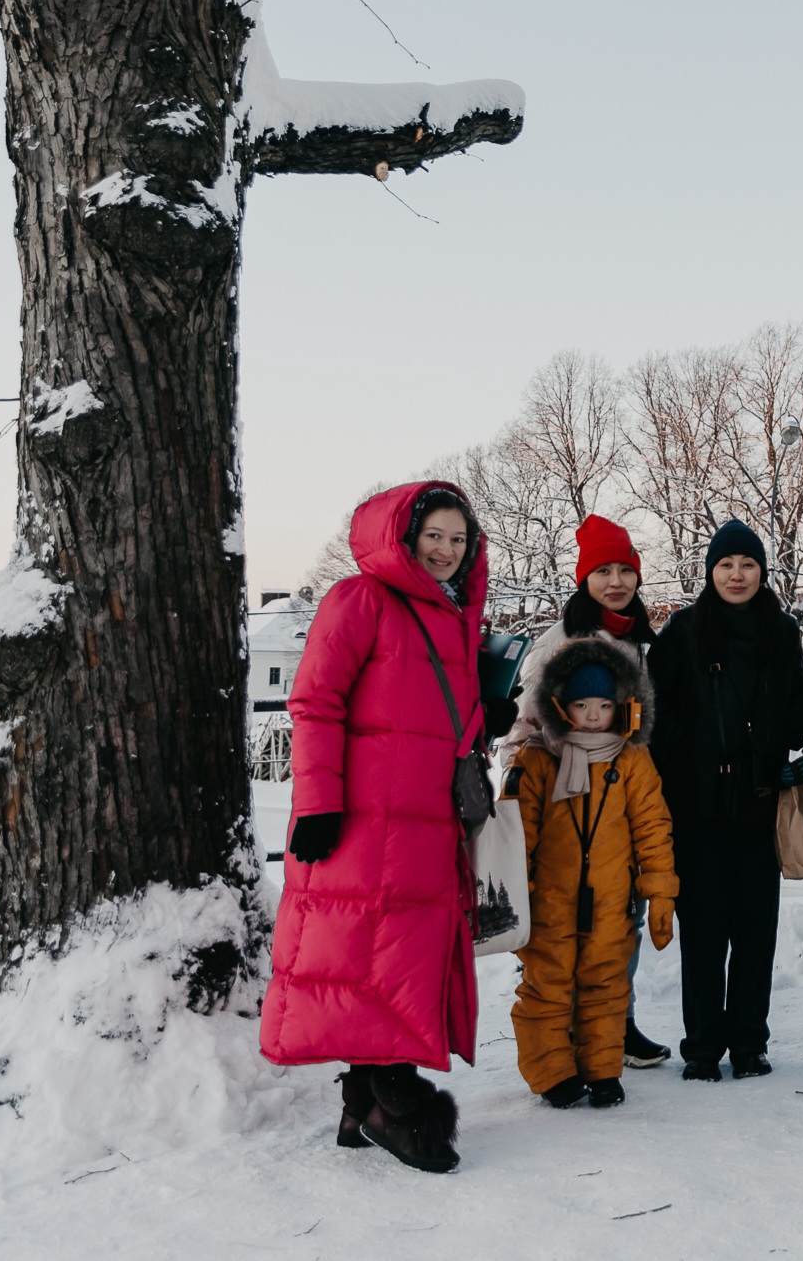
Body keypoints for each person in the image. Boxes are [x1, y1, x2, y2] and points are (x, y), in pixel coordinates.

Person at [262, 482, 488, 1174]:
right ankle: (394, 1101)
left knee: (395, 953)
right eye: (435, 536)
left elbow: (437, 713)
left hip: (422, 821)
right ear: (405, 536)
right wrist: (320, 800)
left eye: (459, 539)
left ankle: (363, 1101)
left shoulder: (452, 614)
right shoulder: (360, 599)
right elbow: (315, 700)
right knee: (379, 951)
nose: (447, 550)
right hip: (364, 820)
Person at [647, 519, 803, 1080]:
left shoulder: (781, 629)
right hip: (696, 805)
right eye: (726, 565)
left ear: (762, 571)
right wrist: (687, 750)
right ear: (710, 572)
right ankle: (701, 1046)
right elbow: (658, 707)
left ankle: (748, 1041)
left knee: (753, 928)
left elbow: (799, 695)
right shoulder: (684, 630)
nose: (737, 575)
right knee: (702, 931)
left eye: (747, 565)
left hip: (758, 801)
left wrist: (782, 734)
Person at [508, 513, 670, 1069]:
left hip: (618, 803)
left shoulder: (641, 642)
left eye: (626, 569)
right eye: (604, 570)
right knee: (563, 935)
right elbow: (525, 731)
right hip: (566, 809)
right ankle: (562, 1041)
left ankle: (613, 1025)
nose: (617, 581)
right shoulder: (562, 641)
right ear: (585, 578)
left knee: (613, 927)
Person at [503, 639, 678, 1108]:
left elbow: (652, 826)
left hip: (611, 898)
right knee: (548, 985)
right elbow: (519, 834)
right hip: (550, 901)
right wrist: (522, 895)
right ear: (561, 706)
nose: (595, 715)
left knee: (605, 983)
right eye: (583, 705)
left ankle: (602, 1068)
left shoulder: (631, 759)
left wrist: (659, 892)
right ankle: (552, 1072)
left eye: (604, 705)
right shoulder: (538, 760)